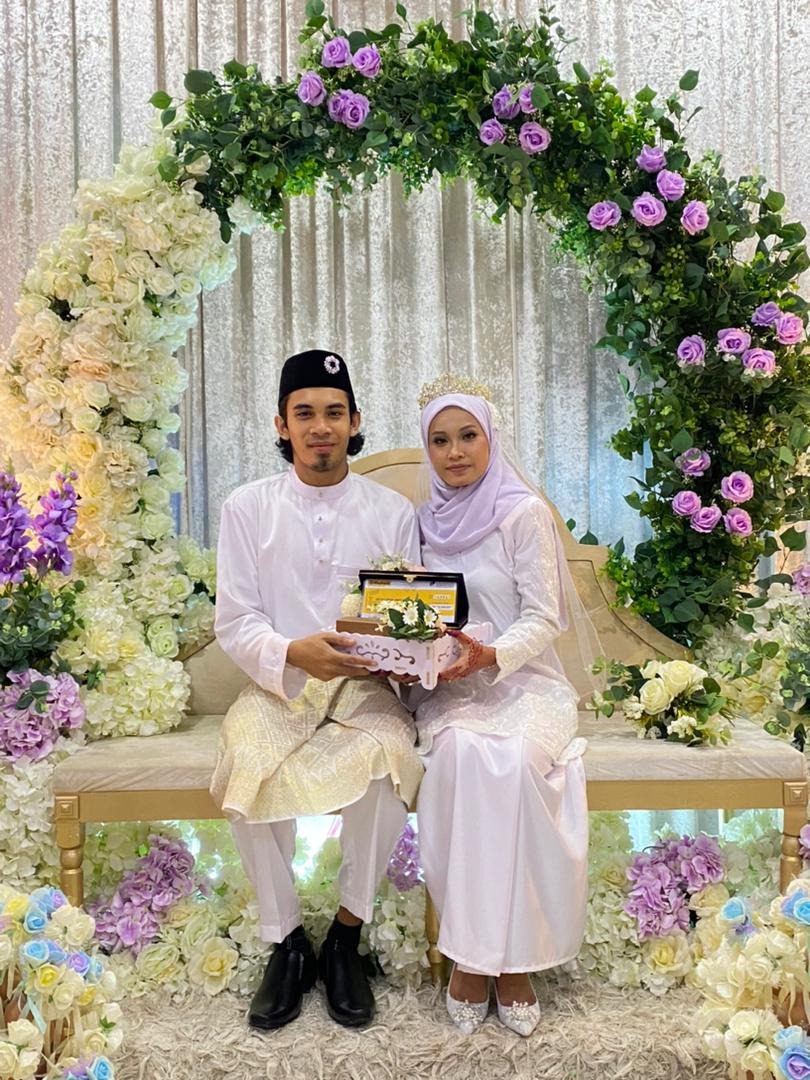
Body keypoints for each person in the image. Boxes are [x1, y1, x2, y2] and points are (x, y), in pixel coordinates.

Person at [210, 349, 423, 1031]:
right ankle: (287, 943)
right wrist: (291, 652)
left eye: (334, 412)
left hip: (365, 691)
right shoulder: (248, 507)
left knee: (389, 762)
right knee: (246, 759)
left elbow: (412, 615)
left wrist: (394, 655)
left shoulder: (393, 511)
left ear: (355, 421)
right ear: (282, 424)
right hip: (281, 685)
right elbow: (235, 618)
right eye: (304, 413)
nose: (320, 426)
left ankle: (345, 937)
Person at [413, 374, 597, 1037]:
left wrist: (492, 655)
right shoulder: (420, 522)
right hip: (451, 690)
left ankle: (515, 962)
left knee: (517, 765)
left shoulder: (523, 514)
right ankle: (471, 956)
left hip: (525, 682)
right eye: (440, 440)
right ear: (427, 449)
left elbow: (544, 616)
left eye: (468, 436)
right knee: (460, 759)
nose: (455, 452)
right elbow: (410, 610)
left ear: (492, 439)